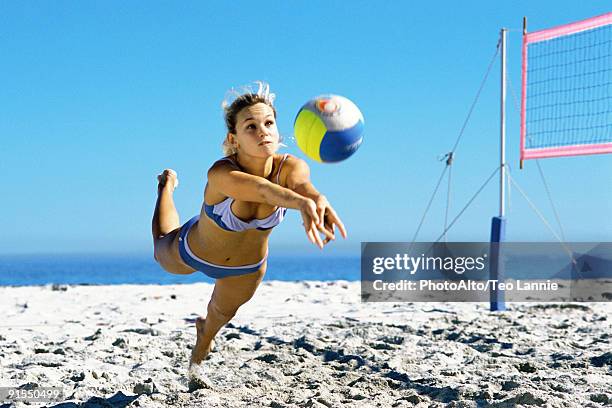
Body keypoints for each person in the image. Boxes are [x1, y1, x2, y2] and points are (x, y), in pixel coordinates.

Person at [151, 82, 347, 371]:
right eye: (251, 126)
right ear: (235, 138)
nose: (262, 131)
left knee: (218, 317)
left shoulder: (291, 167)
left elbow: (303, 185)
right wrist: (301, 203)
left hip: (245, 269)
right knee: (161, 247)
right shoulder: (221, 172)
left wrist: (316, 198)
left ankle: (203, 338)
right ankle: (165, 187)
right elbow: (261, 191)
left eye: (268, 123)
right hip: (193, 250)